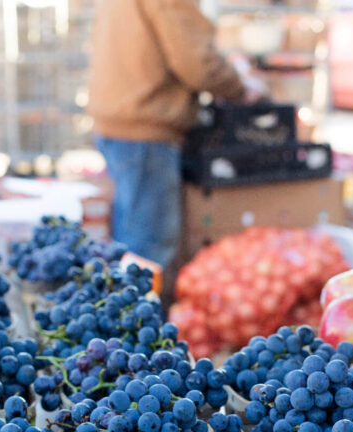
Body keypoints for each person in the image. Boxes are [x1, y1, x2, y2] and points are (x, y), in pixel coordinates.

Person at [88, 0, 264, 275]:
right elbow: (196, 62)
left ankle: (124, 308)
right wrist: (239, 87)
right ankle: (137, 315)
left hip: (122, 118)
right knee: (147, 251)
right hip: (146, 124)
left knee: (130, 242)